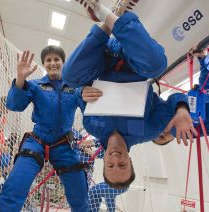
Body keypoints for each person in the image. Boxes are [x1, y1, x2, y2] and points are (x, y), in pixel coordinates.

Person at [62, 1, 197, 189]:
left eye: (110, 165)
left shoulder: (91, 125)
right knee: (157, 65)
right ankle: (109, 16)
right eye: (122, 164)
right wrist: (183, 111)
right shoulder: (149, 130)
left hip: (105, 60)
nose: (115, 159)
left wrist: (82, 91)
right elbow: (174, 100)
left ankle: (106, 24)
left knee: (69, 77)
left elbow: (79, 94)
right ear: (130, 161)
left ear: (104, 165)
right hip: (134, 62)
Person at [0, 46, 89, 212]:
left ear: (64, 63)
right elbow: (14, 105)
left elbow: (89, 110)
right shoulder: (35, 85)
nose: (52, 63)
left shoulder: (76, 88)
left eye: (56, 59)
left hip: (64, 143)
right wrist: (20, 78)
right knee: (16, 183)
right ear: (43, 64)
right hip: (37, 141)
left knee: (80, 193)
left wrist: (89, 89)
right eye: (48, 60)